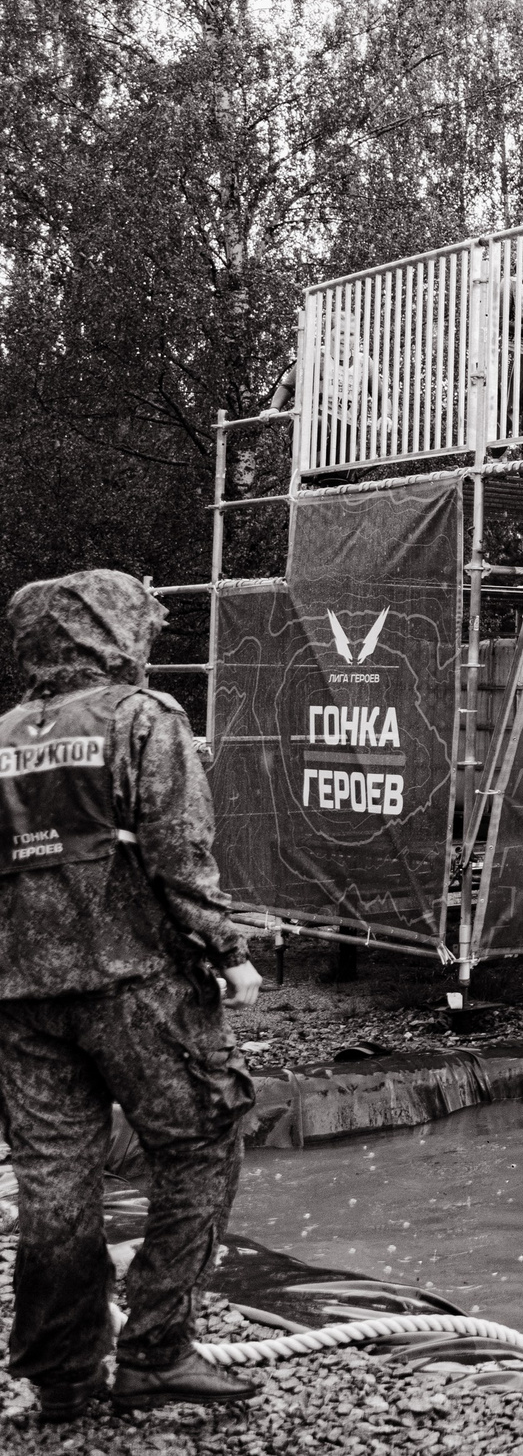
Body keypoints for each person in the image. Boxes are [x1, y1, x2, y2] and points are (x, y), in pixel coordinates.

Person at [0, 571, 264, 1422]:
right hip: (133, 987)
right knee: (201, 1143)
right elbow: (178, 850)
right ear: (113, 630)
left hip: (18, 999)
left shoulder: (1, 735)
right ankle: (155, 1348)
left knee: (54, 1181)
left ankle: (63, 1375)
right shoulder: (143, 720)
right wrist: (230, 951)